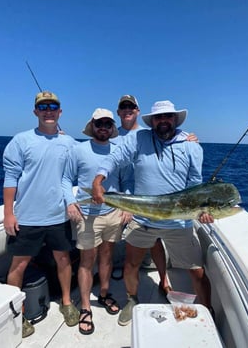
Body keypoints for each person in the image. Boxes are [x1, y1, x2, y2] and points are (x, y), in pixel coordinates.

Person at [92, 99, 213, 326]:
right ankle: (131, 299)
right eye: (159, 117)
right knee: (131, 265)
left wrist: (201, 211)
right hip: (143, 219)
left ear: (175, 119)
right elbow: (115, 158)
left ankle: (209, 311)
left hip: (178, 223)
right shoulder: (139, 138)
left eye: (168, 116)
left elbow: (196, 184)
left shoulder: (191, 146)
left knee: (196, 271)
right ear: (152, 121)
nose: (163, 120)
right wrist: (99, 177)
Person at [3, 91, 79, 338]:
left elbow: (96, 153)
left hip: (58, 216)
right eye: (43, 107)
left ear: (60, 112)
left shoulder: (69, 143)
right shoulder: (20, 141)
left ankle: (67, 302)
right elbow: (10, 178)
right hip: (26, 217)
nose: (48, 110)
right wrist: (8, 214)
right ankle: (18, 313)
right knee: (19, 265)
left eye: (53, 106)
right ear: (35, 112)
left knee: (64, 260)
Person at [114, 95, 198, 298]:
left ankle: (164, 280)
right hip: (134, 200)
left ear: (137, 111)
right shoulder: (111, 133)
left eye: (131, 106)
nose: (127, 110)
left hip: (158, 204)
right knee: (137, 253)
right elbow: (101, 154)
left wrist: (187, 141)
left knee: (159, 244)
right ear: (117, 113)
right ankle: (128, 294)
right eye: (123, 107)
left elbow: (194, 181)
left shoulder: (144, 134)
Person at [61, 108, 133, 335]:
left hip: (113, 213)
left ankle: (103, 294)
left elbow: (127, 181)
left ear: (112, 128)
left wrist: (127, 207)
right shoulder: (78, 150)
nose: (103, 127)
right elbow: (64, 179)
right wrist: (70, 202)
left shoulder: (119, 151)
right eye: (99, 123)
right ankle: (84, 306)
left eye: (107, 124)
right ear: (92, 126)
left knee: (107, 256)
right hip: (87, 214)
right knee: (86, 260)